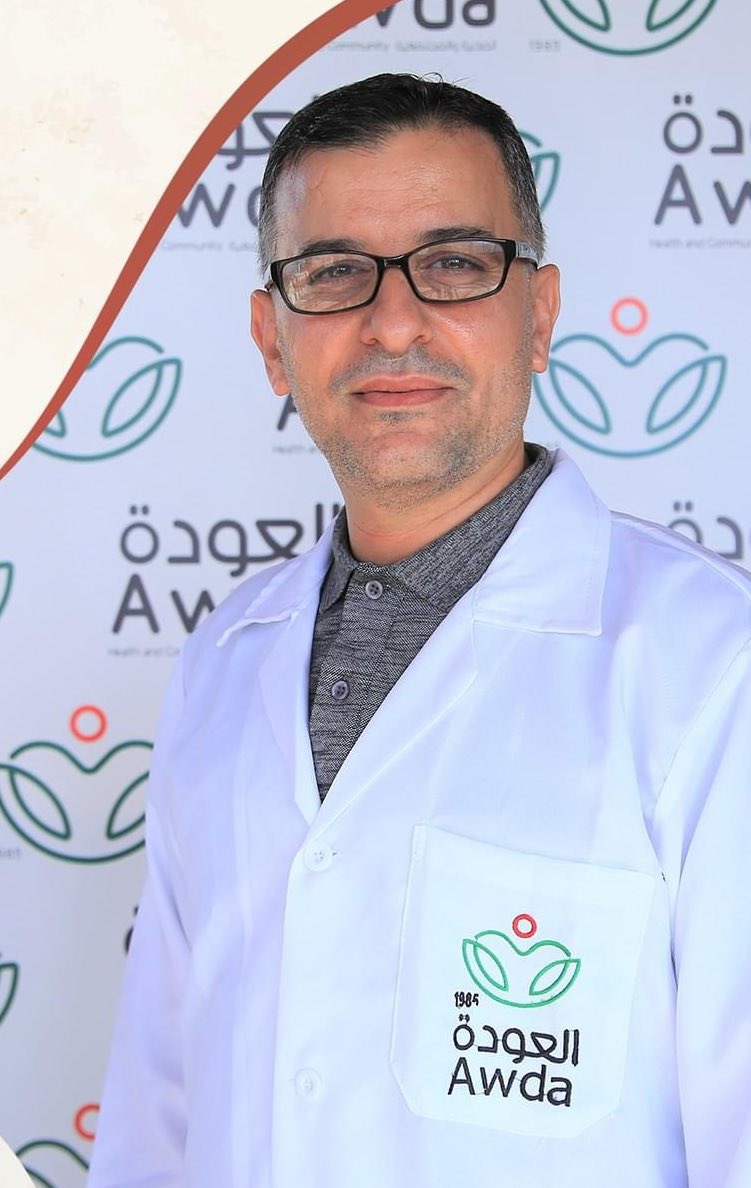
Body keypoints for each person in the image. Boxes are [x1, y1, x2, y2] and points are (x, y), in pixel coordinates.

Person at [88, 74, 751, 1188]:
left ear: (537, 314)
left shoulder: (712, 662)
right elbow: (159, 1113)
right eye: (333, 273)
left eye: (452, 264)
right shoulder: (224, 658)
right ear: (270, 338)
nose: (392, 323)